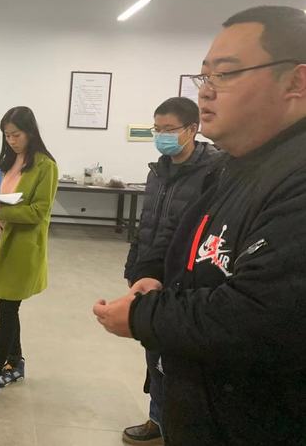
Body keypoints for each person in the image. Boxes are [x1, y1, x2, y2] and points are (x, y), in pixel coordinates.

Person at [93, 6, 306, 445]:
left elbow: (255, 314)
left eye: (225, 74)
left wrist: (142, 315)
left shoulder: (294, 178)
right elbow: (185, 240)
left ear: (295, 82)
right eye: (204, 76)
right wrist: (154, 274)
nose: (206, 91)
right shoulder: (234, 168)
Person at [122, 97, 220, 445]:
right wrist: (135, 265)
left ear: (192, 129)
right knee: (153, 351)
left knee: (177, 356)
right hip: (149, 270)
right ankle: (158, 419)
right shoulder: (158, 171)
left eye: (168, 129)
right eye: (157, 129)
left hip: (183, 277)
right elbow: (147, 221)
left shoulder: (213, 172)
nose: (161, 136)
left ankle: (177, 426)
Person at [0, 106, 58, 406]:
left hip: (24, 246)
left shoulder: (46, 166)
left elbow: (38, 212)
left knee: (7, 309)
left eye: (16, 135)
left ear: (30, 132)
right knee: (9, 306)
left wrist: (0, 209)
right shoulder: (11, 162)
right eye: (7, 136)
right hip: (4, 240)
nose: (11, 141)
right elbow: (8, 202)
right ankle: (15, 362)